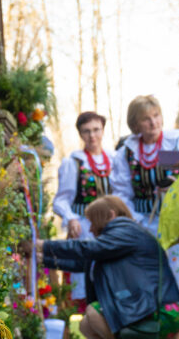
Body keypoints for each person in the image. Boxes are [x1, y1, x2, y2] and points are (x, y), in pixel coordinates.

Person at [40, 195, 179, 339]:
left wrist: (43, 245)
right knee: (87, 325)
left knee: (94, 313)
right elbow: (85, 263)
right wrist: (42, 259)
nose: (91, 229)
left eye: (93, 222)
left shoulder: (125, 232)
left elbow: (87, 249)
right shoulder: (121, 237)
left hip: (162, 311)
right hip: (154, 308)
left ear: (111, 215)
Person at [113, 95, 179, 339]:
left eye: (156, 115)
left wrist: (173, 188)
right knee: (150, 282)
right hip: (143, 223)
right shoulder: (127, 153)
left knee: (177, 280)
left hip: (176, 223)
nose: (153, 122)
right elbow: (121, 192)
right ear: (136, 124)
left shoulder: (178, 143)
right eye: (146, 118)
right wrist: (134, 222)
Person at [52, 111, 132, 304]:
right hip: (85, 227)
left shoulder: (115, 159)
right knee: (86, 275)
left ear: (103, 130)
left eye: (96, 130)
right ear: (80, 134)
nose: (92, 136)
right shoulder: (74, 162)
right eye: (86, 131)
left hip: (112, 228)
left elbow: (125, 192)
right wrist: (70, 217)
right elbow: (61, 200)